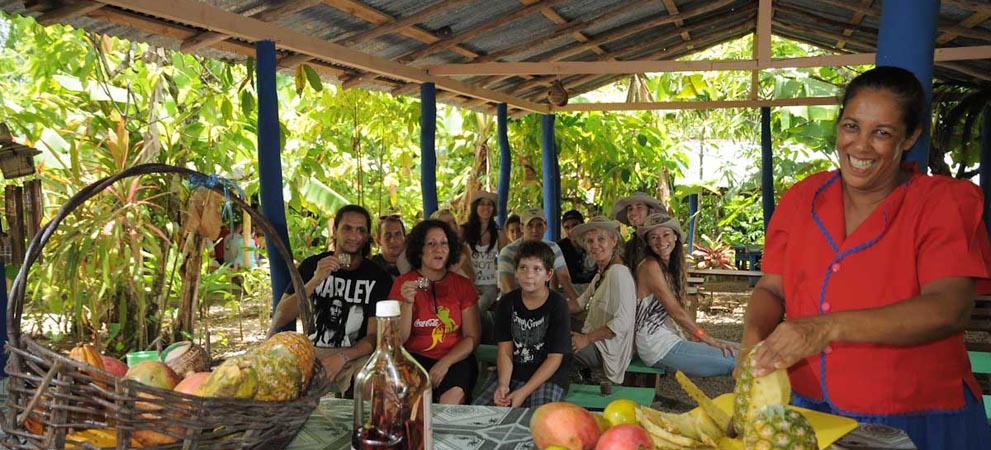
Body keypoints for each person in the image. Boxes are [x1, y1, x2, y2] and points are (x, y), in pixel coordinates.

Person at [738, 66, 991, 450]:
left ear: (910, 137)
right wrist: (752, 338)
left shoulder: (942, 204)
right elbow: (773, 289)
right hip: (809, 411)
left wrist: (823, 328)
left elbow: (948, 309)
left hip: (918, 418)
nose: (861, 145)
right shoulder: (803, 199)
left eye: (882, 133)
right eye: (852, 126)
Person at [269, 204, 393, 395]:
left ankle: (366, 424)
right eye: (347, 228)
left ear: (367, 235)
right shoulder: (312, 266)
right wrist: (316, 280)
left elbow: (372, 337)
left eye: (360, 230)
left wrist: (342, 357)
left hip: (356, 354)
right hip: (313, 350)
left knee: (373, 382)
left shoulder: (377, 277)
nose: (354, 236)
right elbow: (281, 316)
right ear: (334, 231)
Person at [634, 213, 737, 377]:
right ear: (647, 242)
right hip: (657, 347)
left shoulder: (672, 265)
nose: (661, 242)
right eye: (654, 237)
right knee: (738, 361)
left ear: (675, 236)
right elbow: (675, 311)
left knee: (748, 352)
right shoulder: (650, 266)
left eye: (666, 234)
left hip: (671, 339)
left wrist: (691, 334)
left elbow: (677, 311)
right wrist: (709, 339)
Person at [391, 219, 481, 404]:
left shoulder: (462, 285)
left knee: (450, 402)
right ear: (419, 249)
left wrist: (445, 363)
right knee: (414, 406)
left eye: (444, 243)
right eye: (431, 243)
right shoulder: (403, 284)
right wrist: (407, 303)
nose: (438, 249)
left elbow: (472, 337)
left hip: (455, 359)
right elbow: (398, 339)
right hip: (413, 359)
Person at [474, 240, 572, 407]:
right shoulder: (506, 303)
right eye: (523, 268)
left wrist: (523, 392)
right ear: (516, 272)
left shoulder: (558, 304)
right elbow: (505, 352)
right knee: (481, 412)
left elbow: (555, 359)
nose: (529, 275)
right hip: (512, 374)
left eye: (537, 269)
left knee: (537, 418)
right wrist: (503, 385)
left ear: (549, 275)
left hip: (548, 376)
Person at [568, 216, 636, 385]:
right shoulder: (603, 272)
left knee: (549, 344)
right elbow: (578, 304)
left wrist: (587, 339)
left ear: (613, 241)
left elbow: (623, 322)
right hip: (595, 339)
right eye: (590, 241)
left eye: (601, 239)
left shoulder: (618, 272)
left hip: (606, 350)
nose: (595, 245)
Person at [498, 208, 579, 305]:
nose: (534, 230)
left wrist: (579, 304)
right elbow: (509, 289)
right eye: (530, 226)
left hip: (541, 302)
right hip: (513, 305)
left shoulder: (553, 247)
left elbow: (564, 279)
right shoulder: (508, 252)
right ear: (522, 227)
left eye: (539, 225)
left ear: (546, 226)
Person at [461, 191, 506, 343]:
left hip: (489, 284)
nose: (486, 207)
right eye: (482, 203)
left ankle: (489, 343)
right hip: (467, 283)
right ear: (475, 207)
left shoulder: (498, 233)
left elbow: (505, 260)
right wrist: (470, 283)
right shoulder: (464, 231)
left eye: (489, 204)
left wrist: (502, 283)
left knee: (478, 308)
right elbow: (456, 257)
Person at [611, 192, 666, 270]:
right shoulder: (630, 245)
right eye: (630, 209)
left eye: (639, 207)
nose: (633, 212)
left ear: (651, 212)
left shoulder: (662, 239)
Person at [557, 210, 596, 294]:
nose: (571, 230)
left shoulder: (594, 243)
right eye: (567, 227)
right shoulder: (559, 248)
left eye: (575, 225)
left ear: (582, 225)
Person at [371, 214, 405, 278]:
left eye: (397, 234)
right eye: (387, 235)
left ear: (404, 238)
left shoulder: (415, 265)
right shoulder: (370, 267)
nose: (393, 240)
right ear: (378, 240)